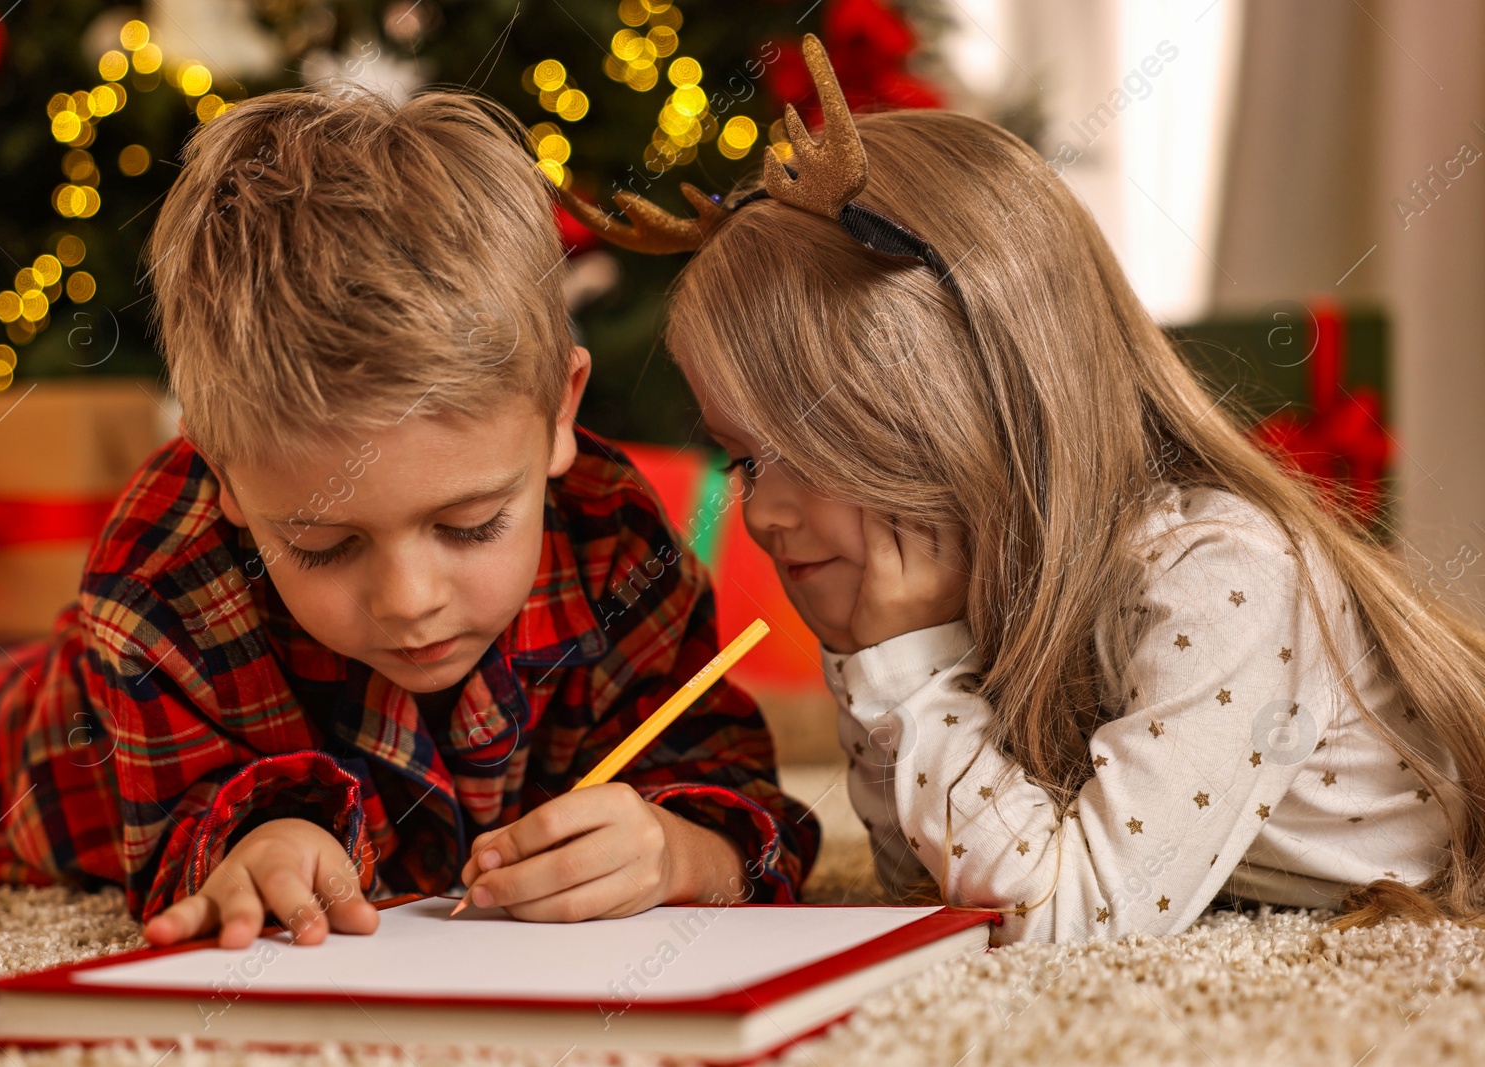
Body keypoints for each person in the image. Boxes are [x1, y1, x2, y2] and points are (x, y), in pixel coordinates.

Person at [567, 34, 1481, 943]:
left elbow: (1065, 924)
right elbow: (921, 878)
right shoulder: (972, 590)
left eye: (808, 450)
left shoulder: (1218, 573)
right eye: (742, 461)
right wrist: (877, 654)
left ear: (965, 419)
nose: (759, 513)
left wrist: (907, 671)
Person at [0, 86, 817, 949]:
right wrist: (258, 845)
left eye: (470, 526)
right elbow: (180, 831)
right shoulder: (161, 573)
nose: (409, 601)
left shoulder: (618, 542)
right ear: (225, 474)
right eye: (324, 544)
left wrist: (681, 849)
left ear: (561, 412)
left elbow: (743, 797)